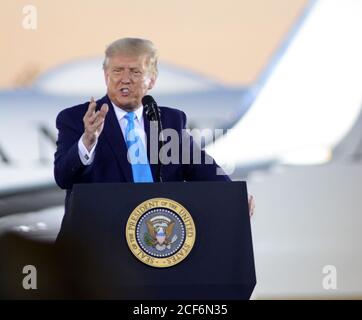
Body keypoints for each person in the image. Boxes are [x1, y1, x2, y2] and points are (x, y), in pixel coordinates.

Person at [54, 38, 254, 241]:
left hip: (155, 243)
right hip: (96, 246)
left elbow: (202, 168)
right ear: (106, 76)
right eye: (117, 71)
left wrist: (232, 197)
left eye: (135, 72)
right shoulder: (77, 119)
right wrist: (88, 140)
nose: (125, 79)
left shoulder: (169, 120)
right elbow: (63, 176)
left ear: (152, 79)